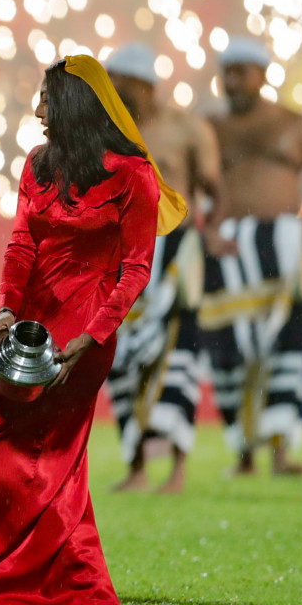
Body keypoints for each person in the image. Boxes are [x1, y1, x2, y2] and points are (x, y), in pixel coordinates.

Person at [0, 55, 184, 605]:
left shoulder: (133, 174)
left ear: (73, 104)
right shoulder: (37, 166)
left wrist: (93, 336)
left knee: (27, 450)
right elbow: (23, 244)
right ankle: (53, 583)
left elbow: (135, 269)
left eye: (47, 98)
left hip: (83, 336)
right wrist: (5, 311)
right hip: (35, 326)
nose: (38, 110)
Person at [200, 36, 302, 476]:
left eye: (241, 71)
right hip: (227, 249)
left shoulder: (293, 125)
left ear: (262, 75)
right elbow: (189, 184)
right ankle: (243, 453)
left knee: (286, 349)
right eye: (227, 72)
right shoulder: (209, 129)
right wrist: (206, 230)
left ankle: (279, 450)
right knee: (228, 351)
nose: (232, 81)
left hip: (283, 248)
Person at [100, 43, 225, 494]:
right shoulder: (105, 127)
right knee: (121, 358)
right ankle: (135, 468)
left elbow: (213, 187)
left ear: (144, 84)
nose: (111, 88)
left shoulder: (188, 128)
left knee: (178, 355)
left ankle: (176, 469)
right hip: (119, 253)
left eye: (119, 80)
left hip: (176, 253)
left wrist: (214, 231)